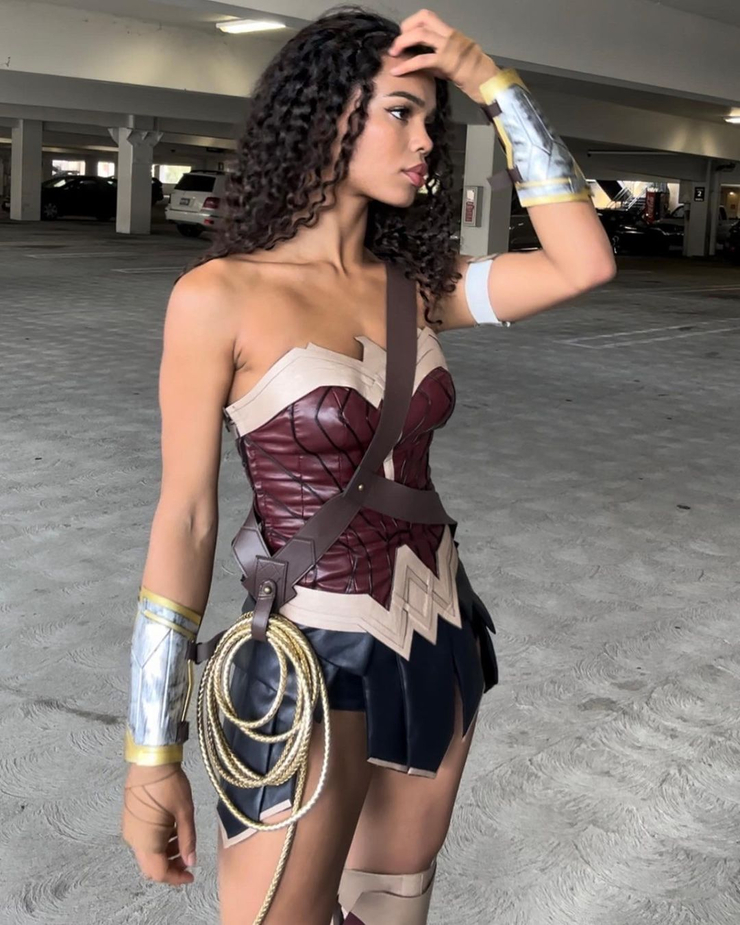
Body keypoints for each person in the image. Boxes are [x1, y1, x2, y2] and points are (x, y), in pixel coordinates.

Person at [120, 6, 616, 924]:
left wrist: (492, 83)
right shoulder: (218, 295)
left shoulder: (416, 287)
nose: (425, 141)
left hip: (441, 632)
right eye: (399, 112)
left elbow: (582, 262)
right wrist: (153, 749)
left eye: (433, 118)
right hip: (311, 653)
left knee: (390, 907)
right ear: (325, 117)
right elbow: (186, 516)